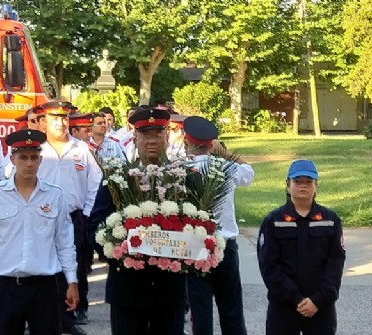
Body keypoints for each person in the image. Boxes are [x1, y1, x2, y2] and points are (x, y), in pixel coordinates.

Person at [0, 129, 80, 335]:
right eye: (23, 157)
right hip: (7, 287)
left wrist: (72, 281)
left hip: (45, 287)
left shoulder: (54, 195)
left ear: (40, 160)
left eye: (33, 157)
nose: (29, 163)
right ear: (12, 159)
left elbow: (65, 243)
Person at [105, 107, 187, 335]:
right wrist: (118, 251)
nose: (152, 141)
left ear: (167, 137)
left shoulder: (185, 178)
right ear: (135, 138)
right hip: (128, 288)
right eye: (145, 135)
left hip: (169, 290)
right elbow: (97, 226)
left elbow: (202, 227)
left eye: (157, 134)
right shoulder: (117, 179)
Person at [182, 116, 254, 335]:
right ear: (212, 144)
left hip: (193, 245)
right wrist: (224, 153)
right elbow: (249, 174)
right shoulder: (226, 167)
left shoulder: (180, 169)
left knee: (200, 310)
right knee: (231, 308)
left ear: (186, 143)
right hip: (225, 244)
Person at [257, 159, 346, 335]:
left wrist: (318, 299)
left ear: (316, 186)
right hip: (283, 305)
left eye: (308, 182)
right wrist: (296, 299)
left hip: (320, 306)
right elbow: (269, 266)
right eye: (297, 181)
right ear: (288, 186)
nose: (303, 186)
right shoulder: (274, 221)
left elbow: (335, 264)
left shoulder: (330, 220)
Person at [38, 101, 102, 335]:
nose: (61, 123)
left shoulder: (80, 149)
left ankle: (69, 318)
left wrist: (86, 213)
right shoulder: (37, 150)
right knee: (43, 268)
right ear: (45, 121)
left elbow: (95, 181)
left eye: (65, 118)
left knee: (71, 268)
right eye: (56, 118)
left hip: (73, 218)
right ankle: (42, 316)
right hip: (42, 219)